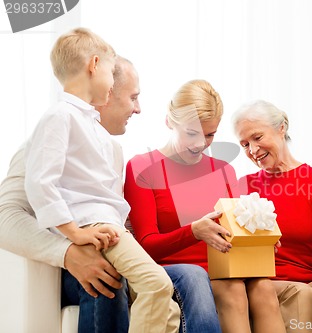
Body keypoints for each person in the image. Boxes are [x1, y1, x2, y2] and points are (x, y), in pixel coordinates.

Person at [23, 28, 179, 333]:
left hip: (112, 227)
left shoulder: (92, 126)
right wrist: (74, 233)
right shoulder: (60, 116)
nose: (112, 80)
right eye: (110, 71)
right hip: (93, 225)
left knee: (169, 307)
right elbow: (40, 183)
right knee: (155, 283)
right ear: (94, 64)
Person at [124, 80, 286, 333]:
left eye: (210, 134)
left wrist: (258, 243)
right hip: (176, 272)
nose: (200, 144)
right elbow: (145, 247)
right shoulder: (142, 167)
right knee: (217, 285)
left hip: (223, 270)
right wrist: (193, 232)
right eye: (191, 133)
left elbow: (234, 235)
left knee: (262, 286)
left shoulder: (223, 171)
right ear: (169, 121)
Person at [232, 100, 312, 333]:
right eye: (244, 144)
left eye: (257, 137)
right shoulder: (244, 186)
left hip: (308, 278)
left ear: (281, 128)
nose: (252, 150)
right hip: (262, 284)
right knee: (301, 295)